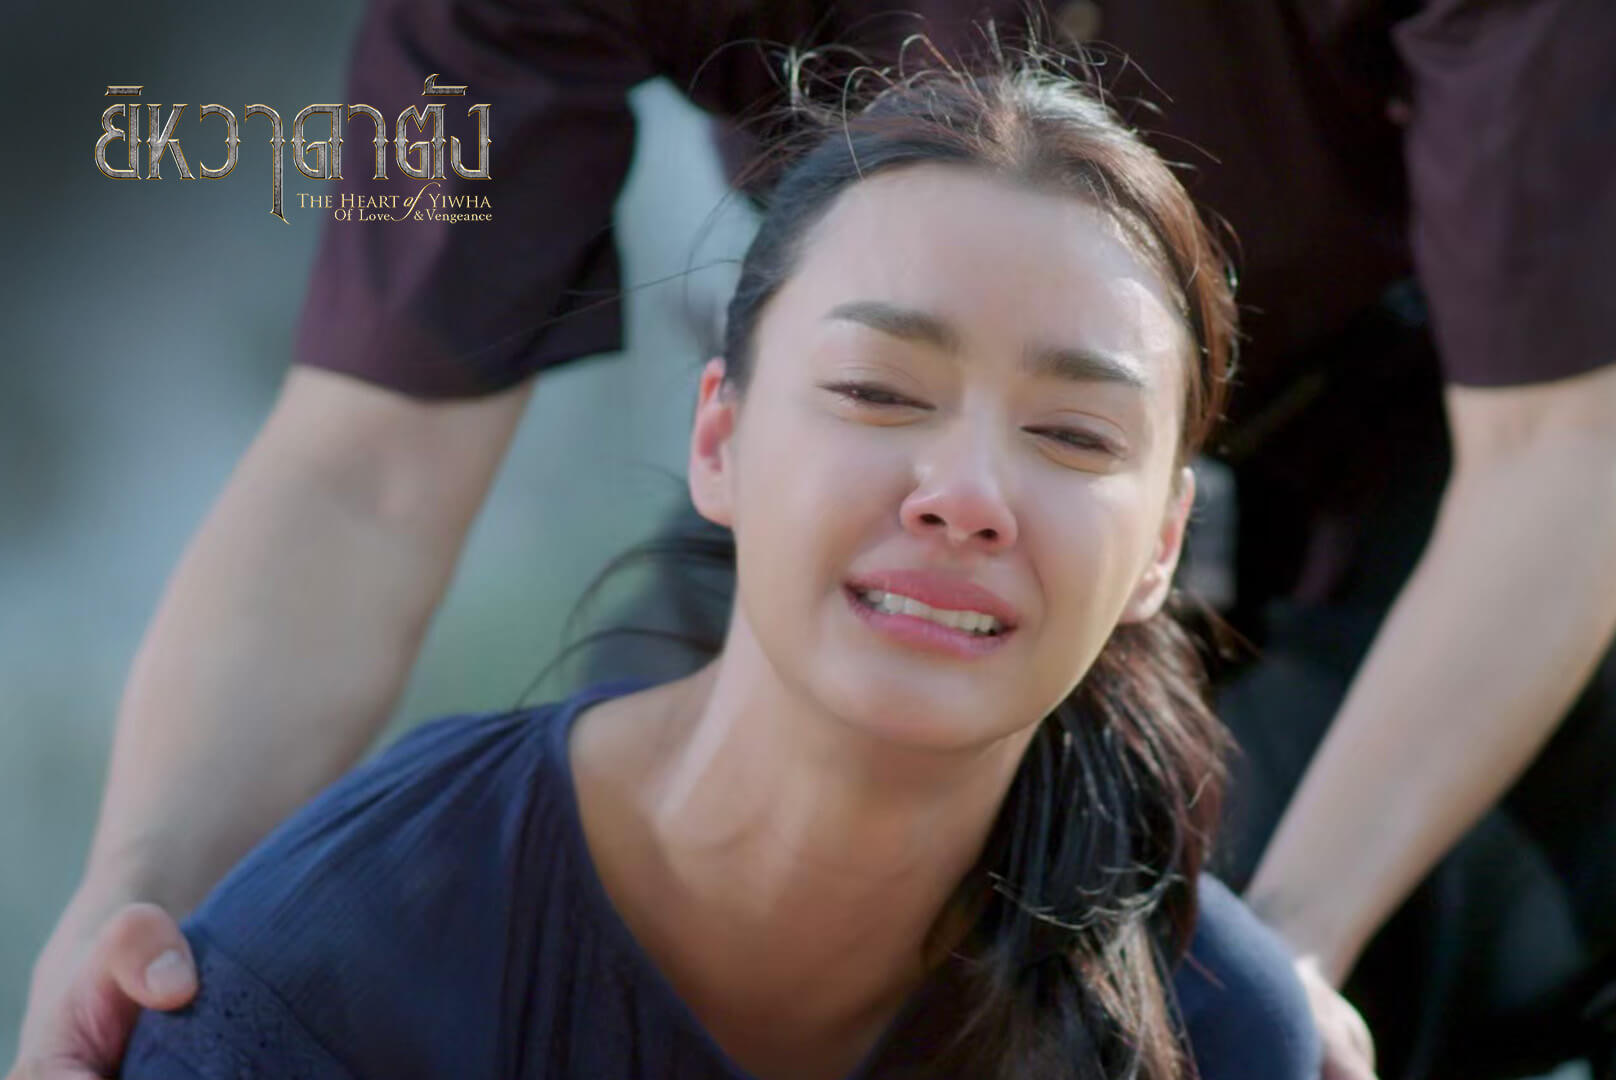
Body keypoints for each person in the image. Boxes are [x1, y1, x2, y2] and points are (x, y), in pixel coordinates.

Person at [12, 2, 1616, 1079]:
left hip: (1473, 411)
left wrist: (1278, 971)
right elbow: (368, 453)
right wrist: (135, 894)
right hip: (885, 440)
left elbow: (1576, 443)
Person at [108, 63, 1318, 1080]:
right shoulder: (351, 952)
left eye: (1073, 435)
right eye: (877, 391)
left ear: (1163, 545)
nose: (965, 496)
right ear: (718, 440)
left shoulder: (1212, 1033)